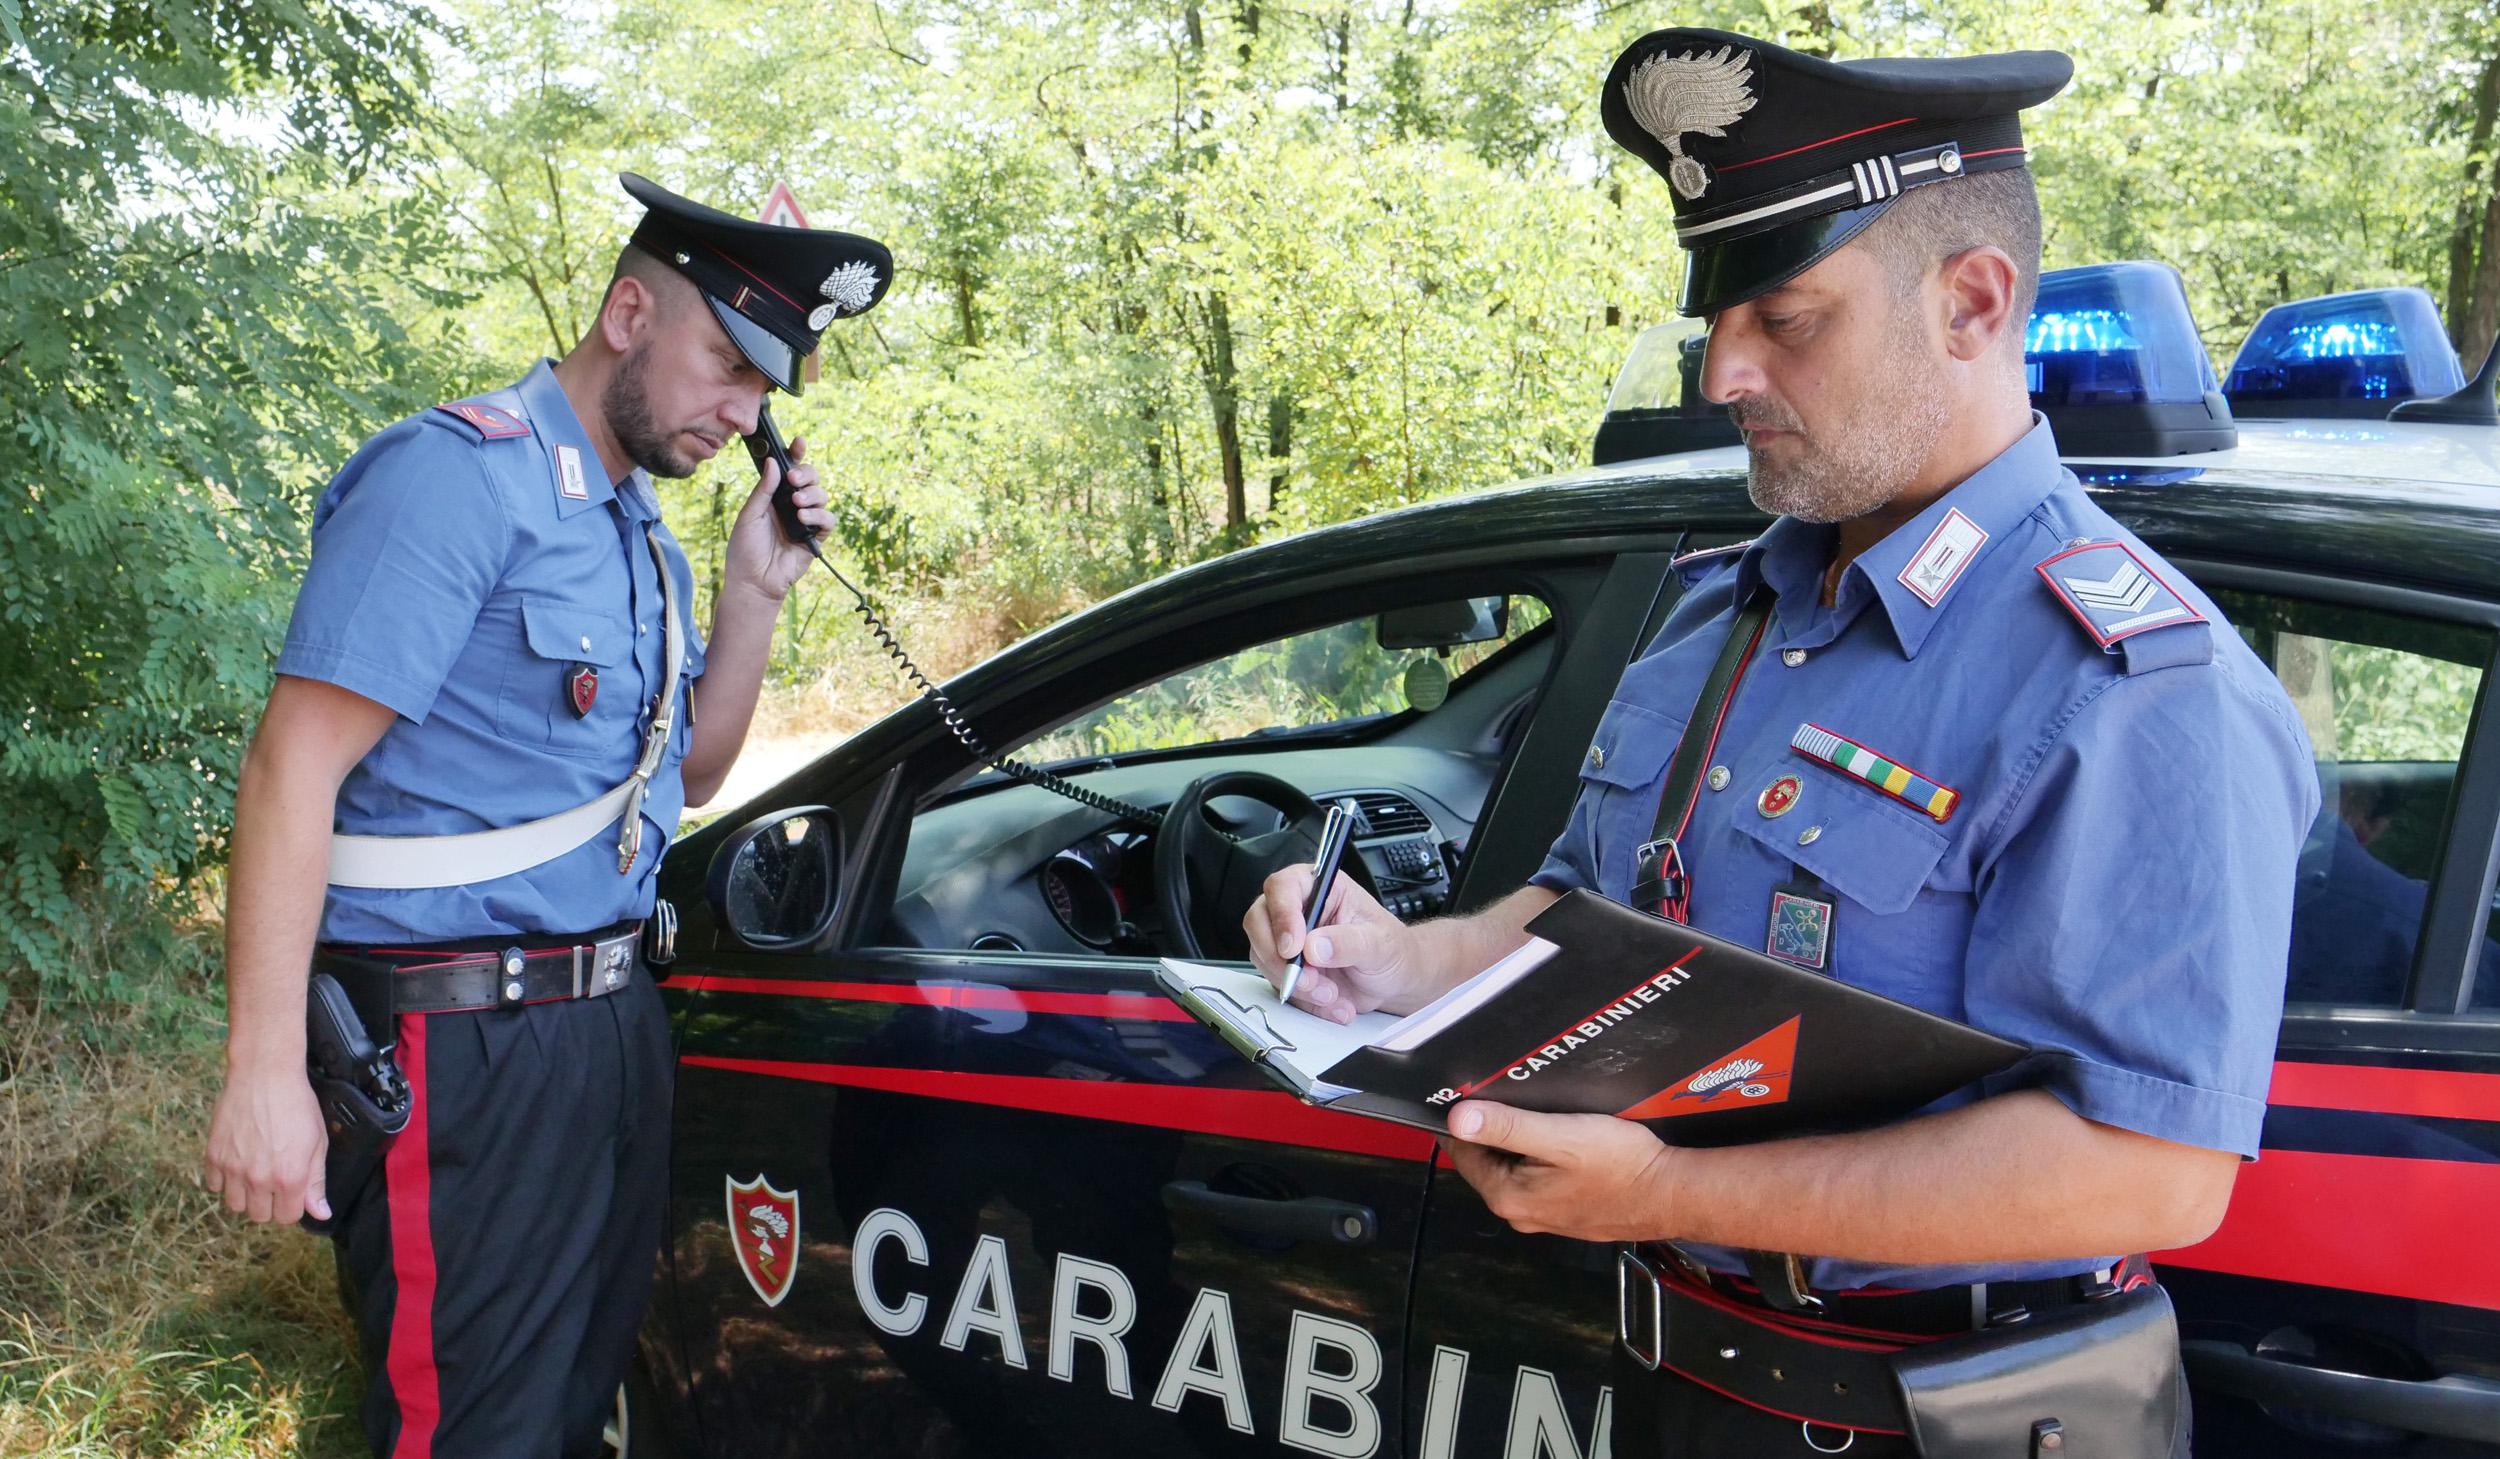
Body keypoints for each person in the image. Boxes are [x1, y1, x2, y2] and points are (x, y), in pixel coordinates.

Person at [1244, 28, 2318, 1458]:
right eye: (1716, 322)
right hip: (1684, 1382)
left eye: (1787, 318)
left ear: (1974, 303)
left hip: (1954, 1423)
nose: (1721, 375)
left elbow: (2152, 1171)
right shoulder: (1726, 608)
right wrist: (1405, 959)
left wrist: (1665, 1192)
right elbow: (1583, 916)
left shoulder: (2133, 681)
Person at [200, 174, 891, 1457]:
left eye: (765, 394)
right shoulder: (457, 481)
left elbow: (688, 780)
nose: (744, 413)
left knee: (572, 1413)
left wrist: (755, 592)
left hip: (606, 1030)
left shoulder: (650, 544)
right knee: (468, 1428)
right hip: (459, 1044)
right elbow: (288, 768)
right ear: (630, 311)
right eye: (728, 365)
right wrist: (261, 1071)